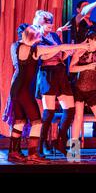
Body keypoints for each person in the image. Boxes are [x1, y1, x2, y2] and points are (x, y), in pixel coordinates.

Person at [6, 25, 87, 163]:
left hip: (16, 89)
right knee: (36, 121)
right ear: (34, 38)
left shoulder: (15, 46)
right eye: (38, 37)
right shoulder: (35, 49)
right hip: (25, 90)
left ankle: (13, 152)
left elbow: (49, 53)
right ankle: (33, 154)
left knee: (20, 121)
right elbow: (59, 48)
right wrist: (81, 45)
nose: (40, 39)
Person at [33, 10, 76, 156]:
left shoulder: (54, 36)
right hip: (48, 73)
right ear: (40, 23)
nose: (50, 24)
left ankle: (60, 141)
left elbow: (61, 56)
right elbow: (44, 56)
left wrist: (66, 53)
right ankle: (41, 146)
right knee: (49, 112)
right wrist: (61, 48)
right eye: (47, 21)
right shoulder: (37, 37)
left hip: (60, 72)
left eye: (51, 21)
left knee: (70, 109)